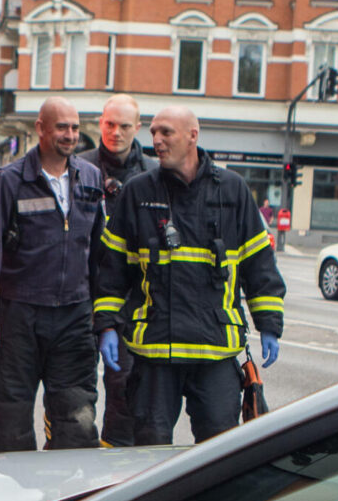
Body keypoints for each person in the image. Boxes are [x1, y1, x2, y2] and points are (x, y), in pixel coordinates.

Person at [92, 105, 285, 446]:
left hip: (214, 352)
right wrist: (107, 325)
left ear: (192, 136)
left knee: (218, 454)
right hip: (154, 354)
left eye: (166, 132)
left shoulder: (232, 190)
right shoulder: (138, 193)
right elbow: (111, 269)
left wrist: (269, 322)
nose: (157, 140)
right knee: (149, 452)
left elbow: (259, 263)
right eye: (153, 133)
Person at [0, 97, 104, 452]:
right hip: (19, 317)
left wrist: (103, 314)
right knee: (11, 426)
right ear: (41, 129)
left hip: (74, 317)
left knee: (77, 424)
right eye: (62, 127)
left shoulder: (90, 178)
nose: (70, 135)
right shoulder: (10, 180)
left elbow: (99, 252)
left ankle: (65, 500)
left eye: (75, 127)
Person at [84, 94, 152, 446]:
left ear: (137, 128)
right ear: (100, 123)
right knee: (74, 395)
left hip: (128, 305)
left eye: (125, 126)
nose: (116, 132)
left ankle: (113, 473)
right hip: (79, 297)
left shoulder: (154, 177)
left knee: (124, 392)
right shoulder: (78, 167)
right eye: (110, 124)